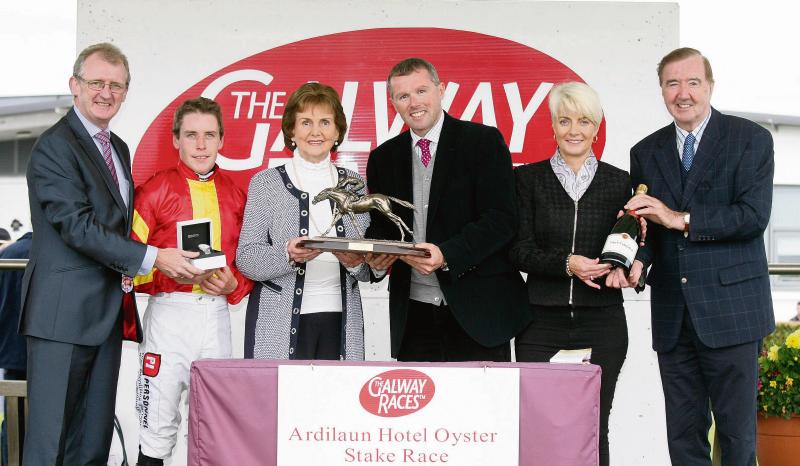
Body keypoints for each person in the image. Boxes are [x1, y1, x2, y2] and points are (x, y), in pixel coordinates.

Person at [20, 42, 203, 465]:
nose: (106, 93)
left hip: (104, 319)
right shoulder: (54, 146)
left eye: (116, 85)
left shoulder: (116, 146)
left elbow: (117, 224)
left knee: (92, 443)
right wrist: (154, 257)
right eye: (97, 82)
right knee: (51, 446)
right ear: (75, 86)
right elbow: (77, 226)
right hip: (61, 319)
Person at [626, 47, 774, 466]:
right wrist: (638, 261)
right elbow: (647, 230)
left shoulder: (750, 140)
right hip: (674, 316)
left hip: (733, 314)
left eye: (693, 82)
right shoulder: (645, 152)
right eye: (672, 83)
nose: (683, 92)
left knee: (737, 437)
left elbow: (752, 217)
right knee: (683, 438)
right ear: (661, 90)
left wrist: (680, 219)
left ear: (710, 85)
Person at [364, 58, 530, 362]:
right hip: (413, 319)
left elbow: (501, 219)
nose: (414, 102)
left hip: (479, 314)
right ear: (393, 103)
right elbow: (382, 227)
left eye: (421, 91)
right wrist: (373, 258)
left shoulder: (483, 142)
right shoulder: (382, 158)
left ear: (441, 90)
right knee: (423, 411)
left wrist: (447, 255)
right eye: (403, 96)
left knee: (484, 409)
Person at [508, 82, 634, 466]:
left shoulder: (620, 182)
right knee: (539, 424)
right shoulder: (527, 179)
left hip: (604, 319)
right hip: (539, 319)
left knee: (595, 424)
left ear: (597, 127)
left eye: (583, 121)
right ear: (553, 126)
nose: (574, 130)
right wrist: (567, 264)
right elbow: (518, 250)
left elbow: (636, 243)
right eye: (564, 121)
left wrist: (629, 270)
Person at [131, 97, 253, 465]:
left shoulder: (236, 196)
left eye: (209, 136)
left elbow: (248, 266)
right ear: (175, 140)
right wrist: (162, 269)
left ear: (222, 141)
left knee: (213, 429)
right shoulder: (153, 191)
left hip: (215, 321)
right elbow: (127, 263)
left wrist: (234, 288)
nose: (201, 145)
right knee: (156, 431)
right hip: (168, 320)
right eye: (191, 135)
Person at [237, 82, 370, 360]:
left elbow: (371, 268)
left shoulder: (354, 184)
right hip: (277, 323)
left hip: (342, 322)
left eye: (325, 122)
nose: (316, 131)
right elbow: (247, 259)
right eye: (306, 122)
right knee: (280, 403)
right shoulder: (266, 183)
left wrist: (355, 262)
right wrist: (288, 253)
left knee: (335, 403)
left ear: (337, 132)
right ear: (292, 131)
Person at [0, 232, 31, 465]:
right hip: (49, 356)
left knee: (12, 424)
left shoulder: (7, 256)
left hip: (12, 353)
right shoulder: (51, 256)